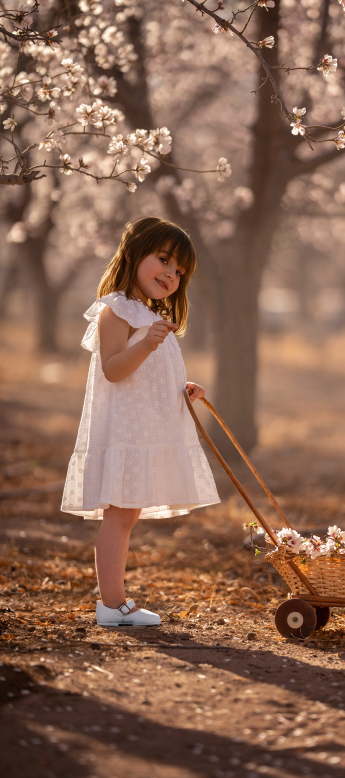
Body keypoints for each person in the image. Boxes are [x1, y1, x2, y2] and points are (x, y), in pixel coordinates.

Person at [61, 217, 220, 627]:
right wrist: (148, 343)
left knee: (127, 514)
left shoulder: (147, 314)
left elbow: (147, 376)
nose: (170, 274)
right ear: (134, 253)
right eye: (163, 259)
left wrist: (182, 388)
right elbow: (114, 369)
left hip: (142, 429)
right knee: (119, 515)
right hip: (124, 432)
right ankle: (111, 604)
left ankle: (114, 603)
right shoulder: (116, 310)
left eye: (179, 271)